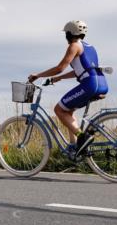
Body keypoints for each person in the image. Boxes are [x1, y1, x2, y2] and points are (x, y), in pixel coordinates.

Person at [28, 20, 108, 155]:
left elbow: (60, 68)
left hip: (89, 84)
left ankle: (82, 137)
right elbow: (81, 70)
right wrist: (59, 78)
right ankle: (74, 146)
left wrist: (38, 75)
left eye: (66, 33)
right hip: (100, 83)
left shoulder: (74, 46)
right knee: (68, 111)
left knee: (58, 109)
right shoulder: (89, 47)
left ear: (70, 33)